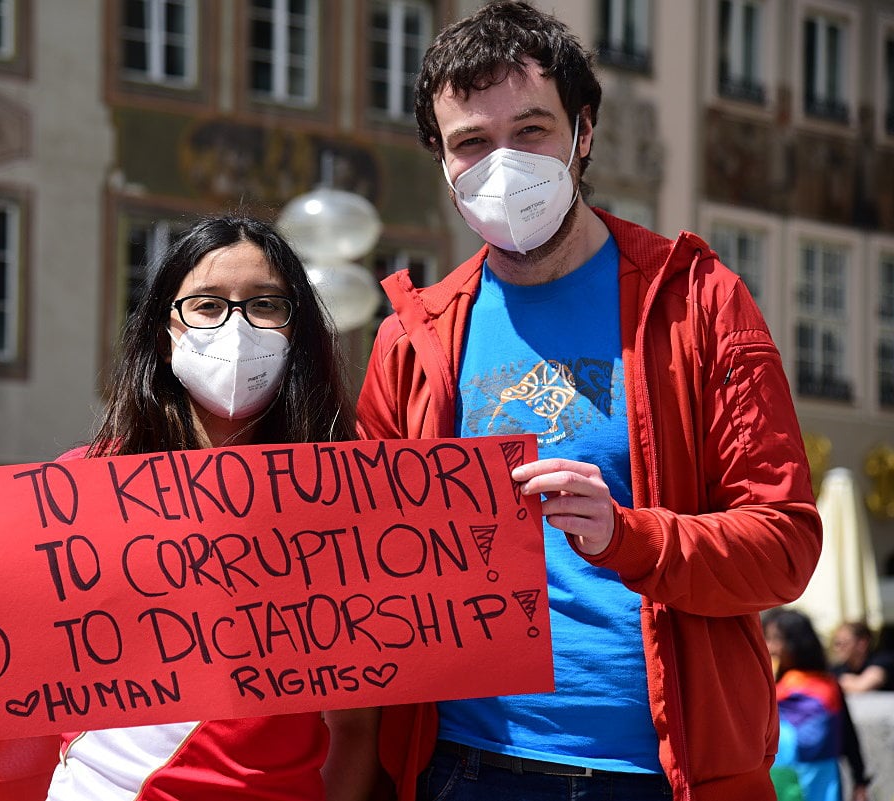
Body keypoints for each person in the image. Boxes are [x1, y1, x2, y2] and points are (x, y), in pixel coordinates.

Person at [353, 3, 822, 800]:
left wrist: (626, 534)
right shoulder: (414, 336)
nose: (503, 163)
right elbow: (364, 551)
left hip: (656, 774)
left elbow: (784, 546)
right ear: (441, 159)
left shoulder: (699, 304)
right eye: (471, 141)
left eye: (531, 130)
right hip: (462, 767)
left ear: (584, 132)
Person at [0, 215, 377, 801]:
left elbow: (355, 732)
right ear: (166, 332)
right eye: (207, 306)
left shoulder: (344, 499)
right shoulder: (77, 488)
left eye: (264, 306)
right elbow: (0, 684)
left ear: (298, 331)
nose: (235, 329)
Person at [763, 609, 870, 801]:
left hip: (820, 784)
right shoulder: (765, 689)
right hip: (776, 783)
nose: (770, 647)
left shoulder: (827, 687)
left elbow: (848, 735)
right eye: (767, 639)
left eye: (776, 639)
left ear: (797, 643)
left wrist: (859, 780)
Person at [830, 621, 894, 694]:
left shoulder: (883, 661)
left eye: (844, 643)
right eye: (836, 644)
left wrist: (841, 683)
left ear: (862, 644)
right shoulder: (837, 669)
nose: (838, 648)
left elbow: (862, 687)